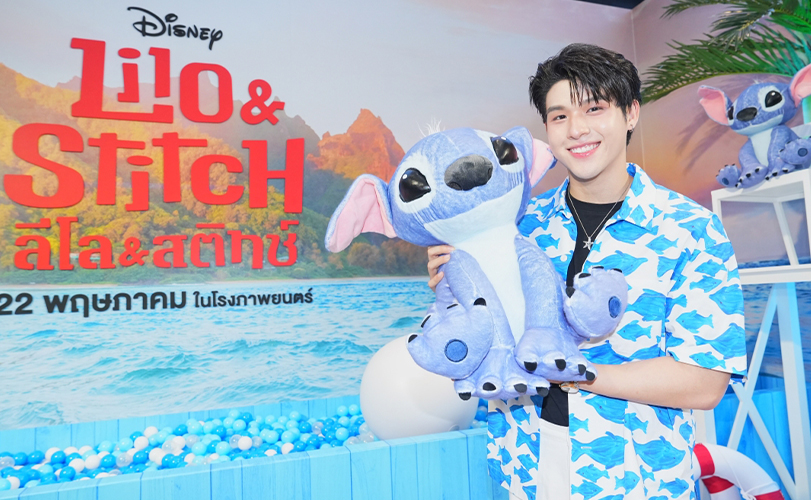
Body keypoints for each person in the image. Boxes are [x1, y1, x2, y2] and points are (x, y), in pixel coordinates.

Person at [427, 43, 747, 500]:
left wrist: (578, 372)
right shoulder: (519, 227)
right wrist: (455, 293)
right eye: (559, 116)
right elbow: (487, 341)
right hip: (523, 463)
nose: (576, 129)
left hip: (636, 475)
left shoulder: (690, 230)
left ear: (631, 113)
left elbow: (705, 381)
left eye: (594, 109)